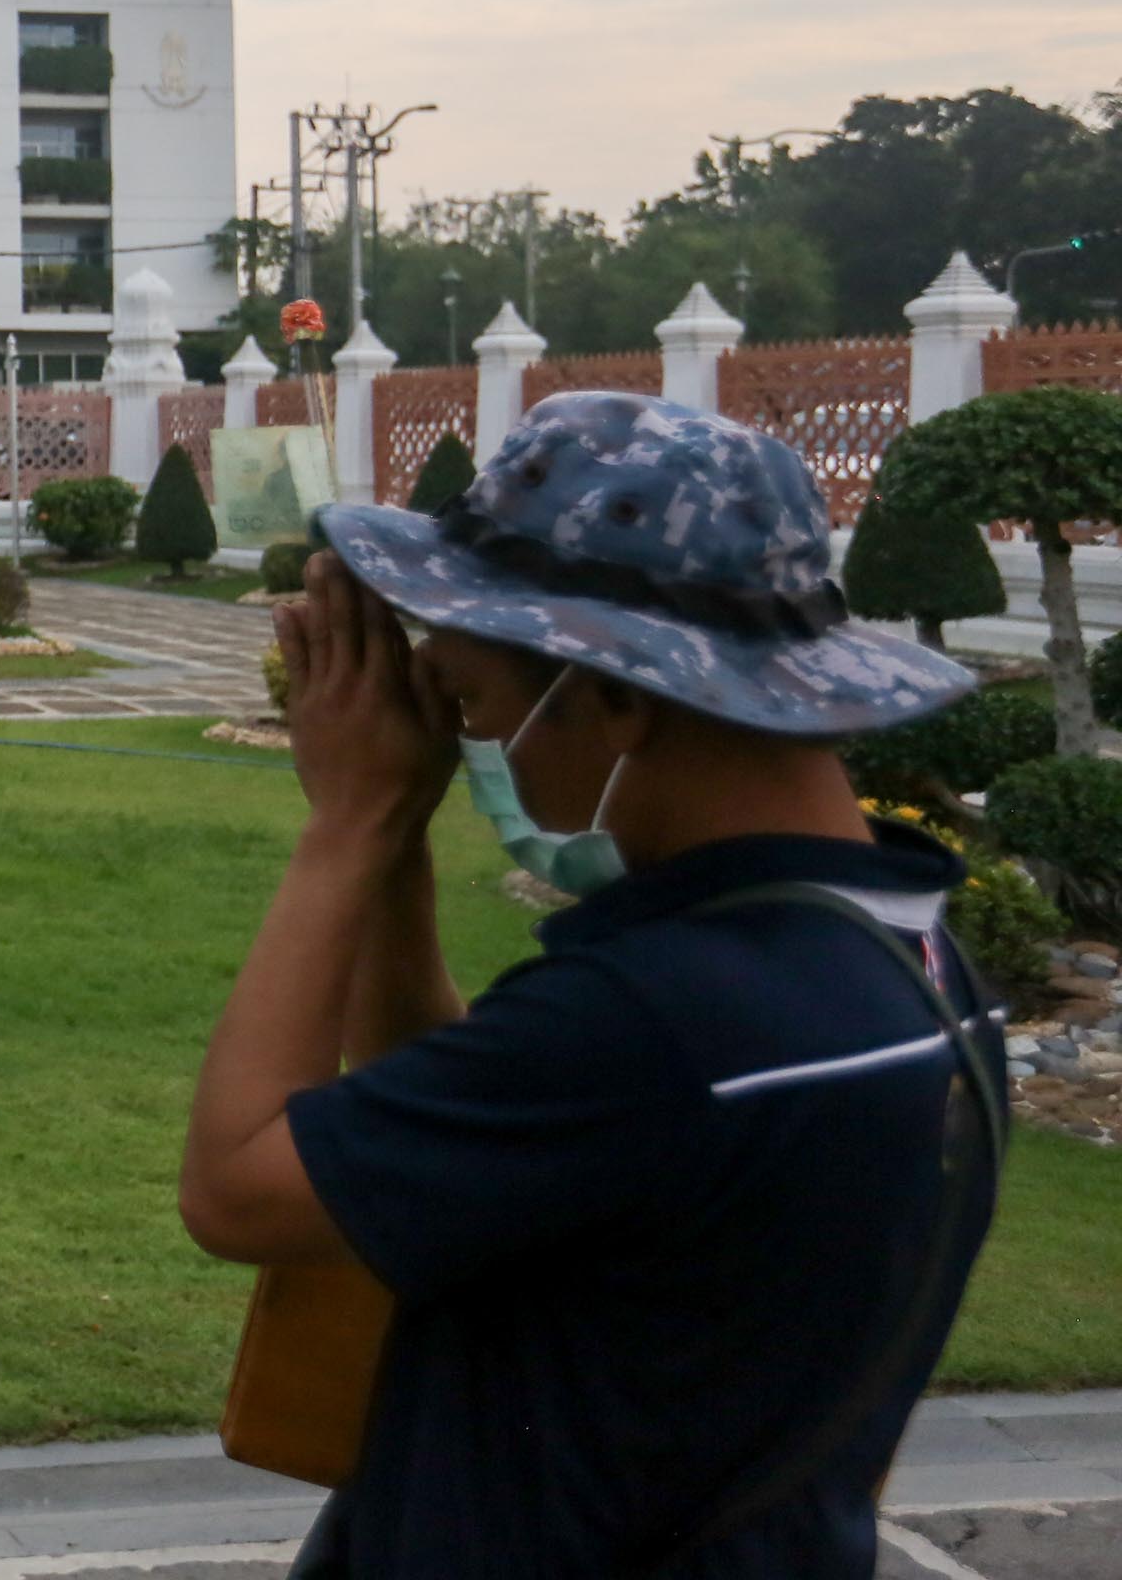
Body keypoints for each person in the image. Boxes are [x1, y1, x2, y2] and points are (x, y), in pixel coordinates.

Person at [179, 392, 1008, 1578]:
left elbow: (238, 1192)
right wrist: (398, 854)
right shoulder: (909, 960)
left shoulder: (667, 1016)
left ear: (613, 695)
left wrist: (351, 826)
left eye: (470, 703)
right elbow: (491, 1140)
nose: (461, 741)